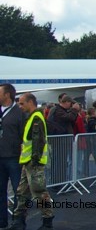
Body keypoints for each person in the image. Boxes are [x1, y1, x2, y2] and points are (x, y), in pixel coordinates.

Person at [11, 93, 53, 229]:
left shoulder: (36, 118)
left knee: (39, 192)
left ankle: (47, 220)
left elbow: (38, 142)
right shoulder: (32, 118)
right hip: (28, 162)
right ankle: (18, 220)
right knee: (22, 192)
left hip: (33, 162)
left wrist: (35, 161)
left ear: (30, 102)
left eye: (22, 103)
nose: (20, 106)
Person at [0, 84, 24, 229]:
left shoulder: (19, 113)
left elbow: (24, 136)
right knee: (1, 191)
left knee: (18, 191)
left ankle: (18, 221)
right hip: (0, 157)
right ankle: (2, 220)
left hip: (14, 157)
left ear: (7, 95)